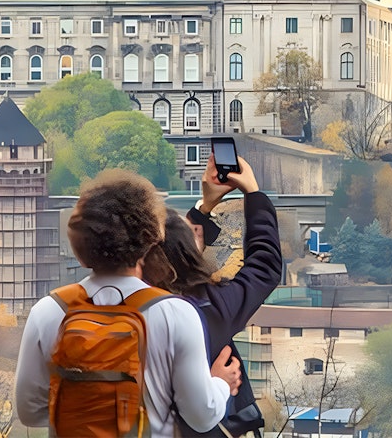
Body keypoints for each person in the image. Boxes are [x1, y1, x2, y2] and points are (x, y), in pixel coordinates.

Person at [15, 170, 241, 437]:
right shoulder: (175, 313)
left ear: (79, 244)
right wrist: (221, 384)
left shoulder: (49, 310)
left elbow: (29, 410)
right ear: (149, 239)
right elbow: (202, 416)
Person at [144, 155, 283, 438]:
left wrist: (204, 207)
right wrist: (253, 194)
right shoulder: (209, 308)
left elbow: (170, 246)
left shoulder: (131, 304)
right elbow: (264, 266)